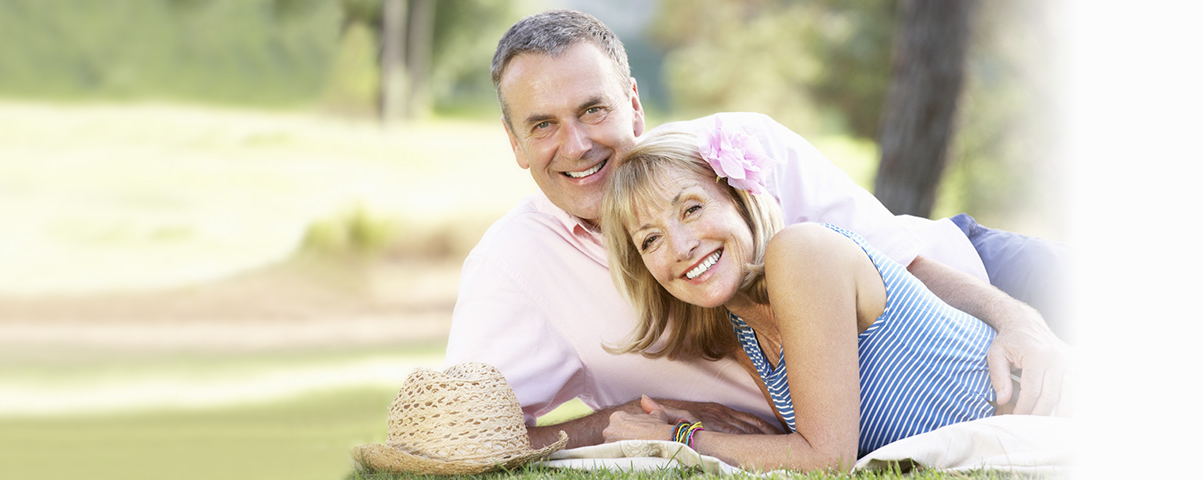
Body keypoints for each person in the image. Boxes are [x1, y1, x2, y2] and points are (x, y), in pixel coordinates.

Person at [444, 9, 1068, 449]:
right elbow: (464, 433)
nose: (577, 145)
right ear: (516, 144)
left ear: (633, 102)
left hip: (979, 284)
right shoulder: (514, 266)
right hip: (863, 414)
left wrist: (1020, 320)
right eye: (544, 125)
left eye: (593, 109)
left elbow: (906, 263)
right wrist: (615, 421)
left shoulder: (737, 148)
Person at [597, 127, 998, 471]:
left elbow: (826, 459)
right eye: (651, 239)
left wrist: (678, 438)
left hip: (1037, 422)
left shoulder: (801, 253)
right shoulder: (744, 331)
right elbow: (801, 446)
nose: (680, 247)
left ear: (740, 199)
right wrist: (695, 425)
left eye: (691, 209)